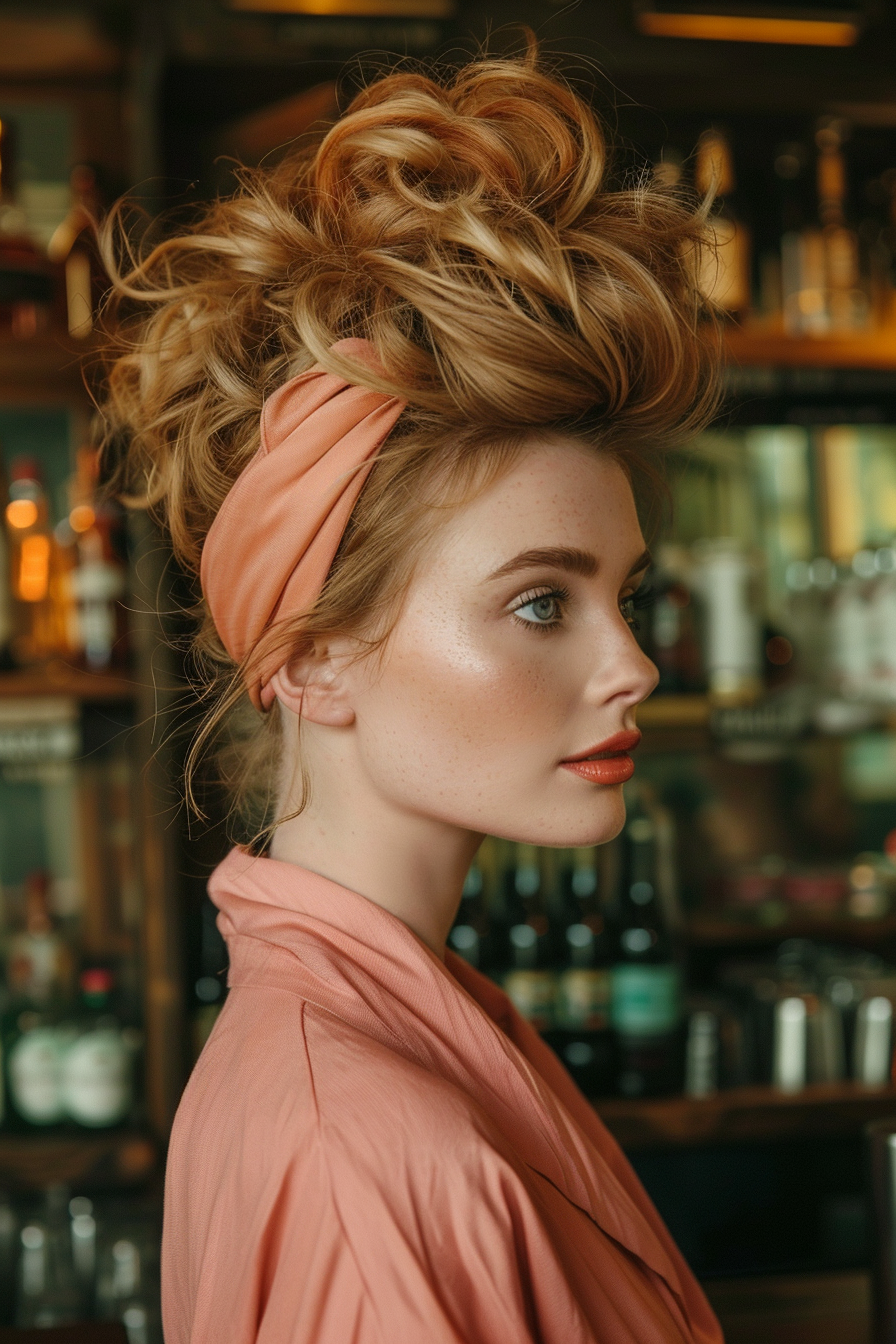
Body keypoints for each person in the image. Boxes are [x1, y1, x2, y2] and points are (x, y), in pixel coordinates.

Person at [100, 42, 723, 1344]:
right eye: (543, 602)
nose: (636, 666)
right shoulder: (367, 1144)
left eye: (627, 594)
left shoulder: (392, 1034)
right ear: (313, 658)